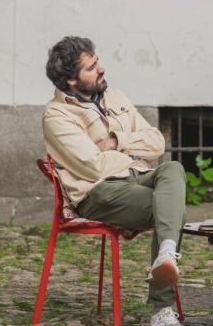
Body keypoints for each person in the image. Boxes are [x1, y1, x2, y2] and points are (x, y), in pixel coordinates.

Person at [42, 36, 186, 326]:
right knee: (168, 206)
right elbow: (93, 167)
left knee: (172, 168)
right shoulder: (57, 116)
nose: (102, 69)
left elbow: (157, 143)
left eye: (98, 61)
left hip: (139, 177)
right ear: (71, 80)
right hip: (98, 193)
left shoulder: (115, 96)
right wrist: (132, 154)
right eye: (92, 67)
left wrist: (116, 141)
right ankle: (162, 310)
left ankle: (167, 255)